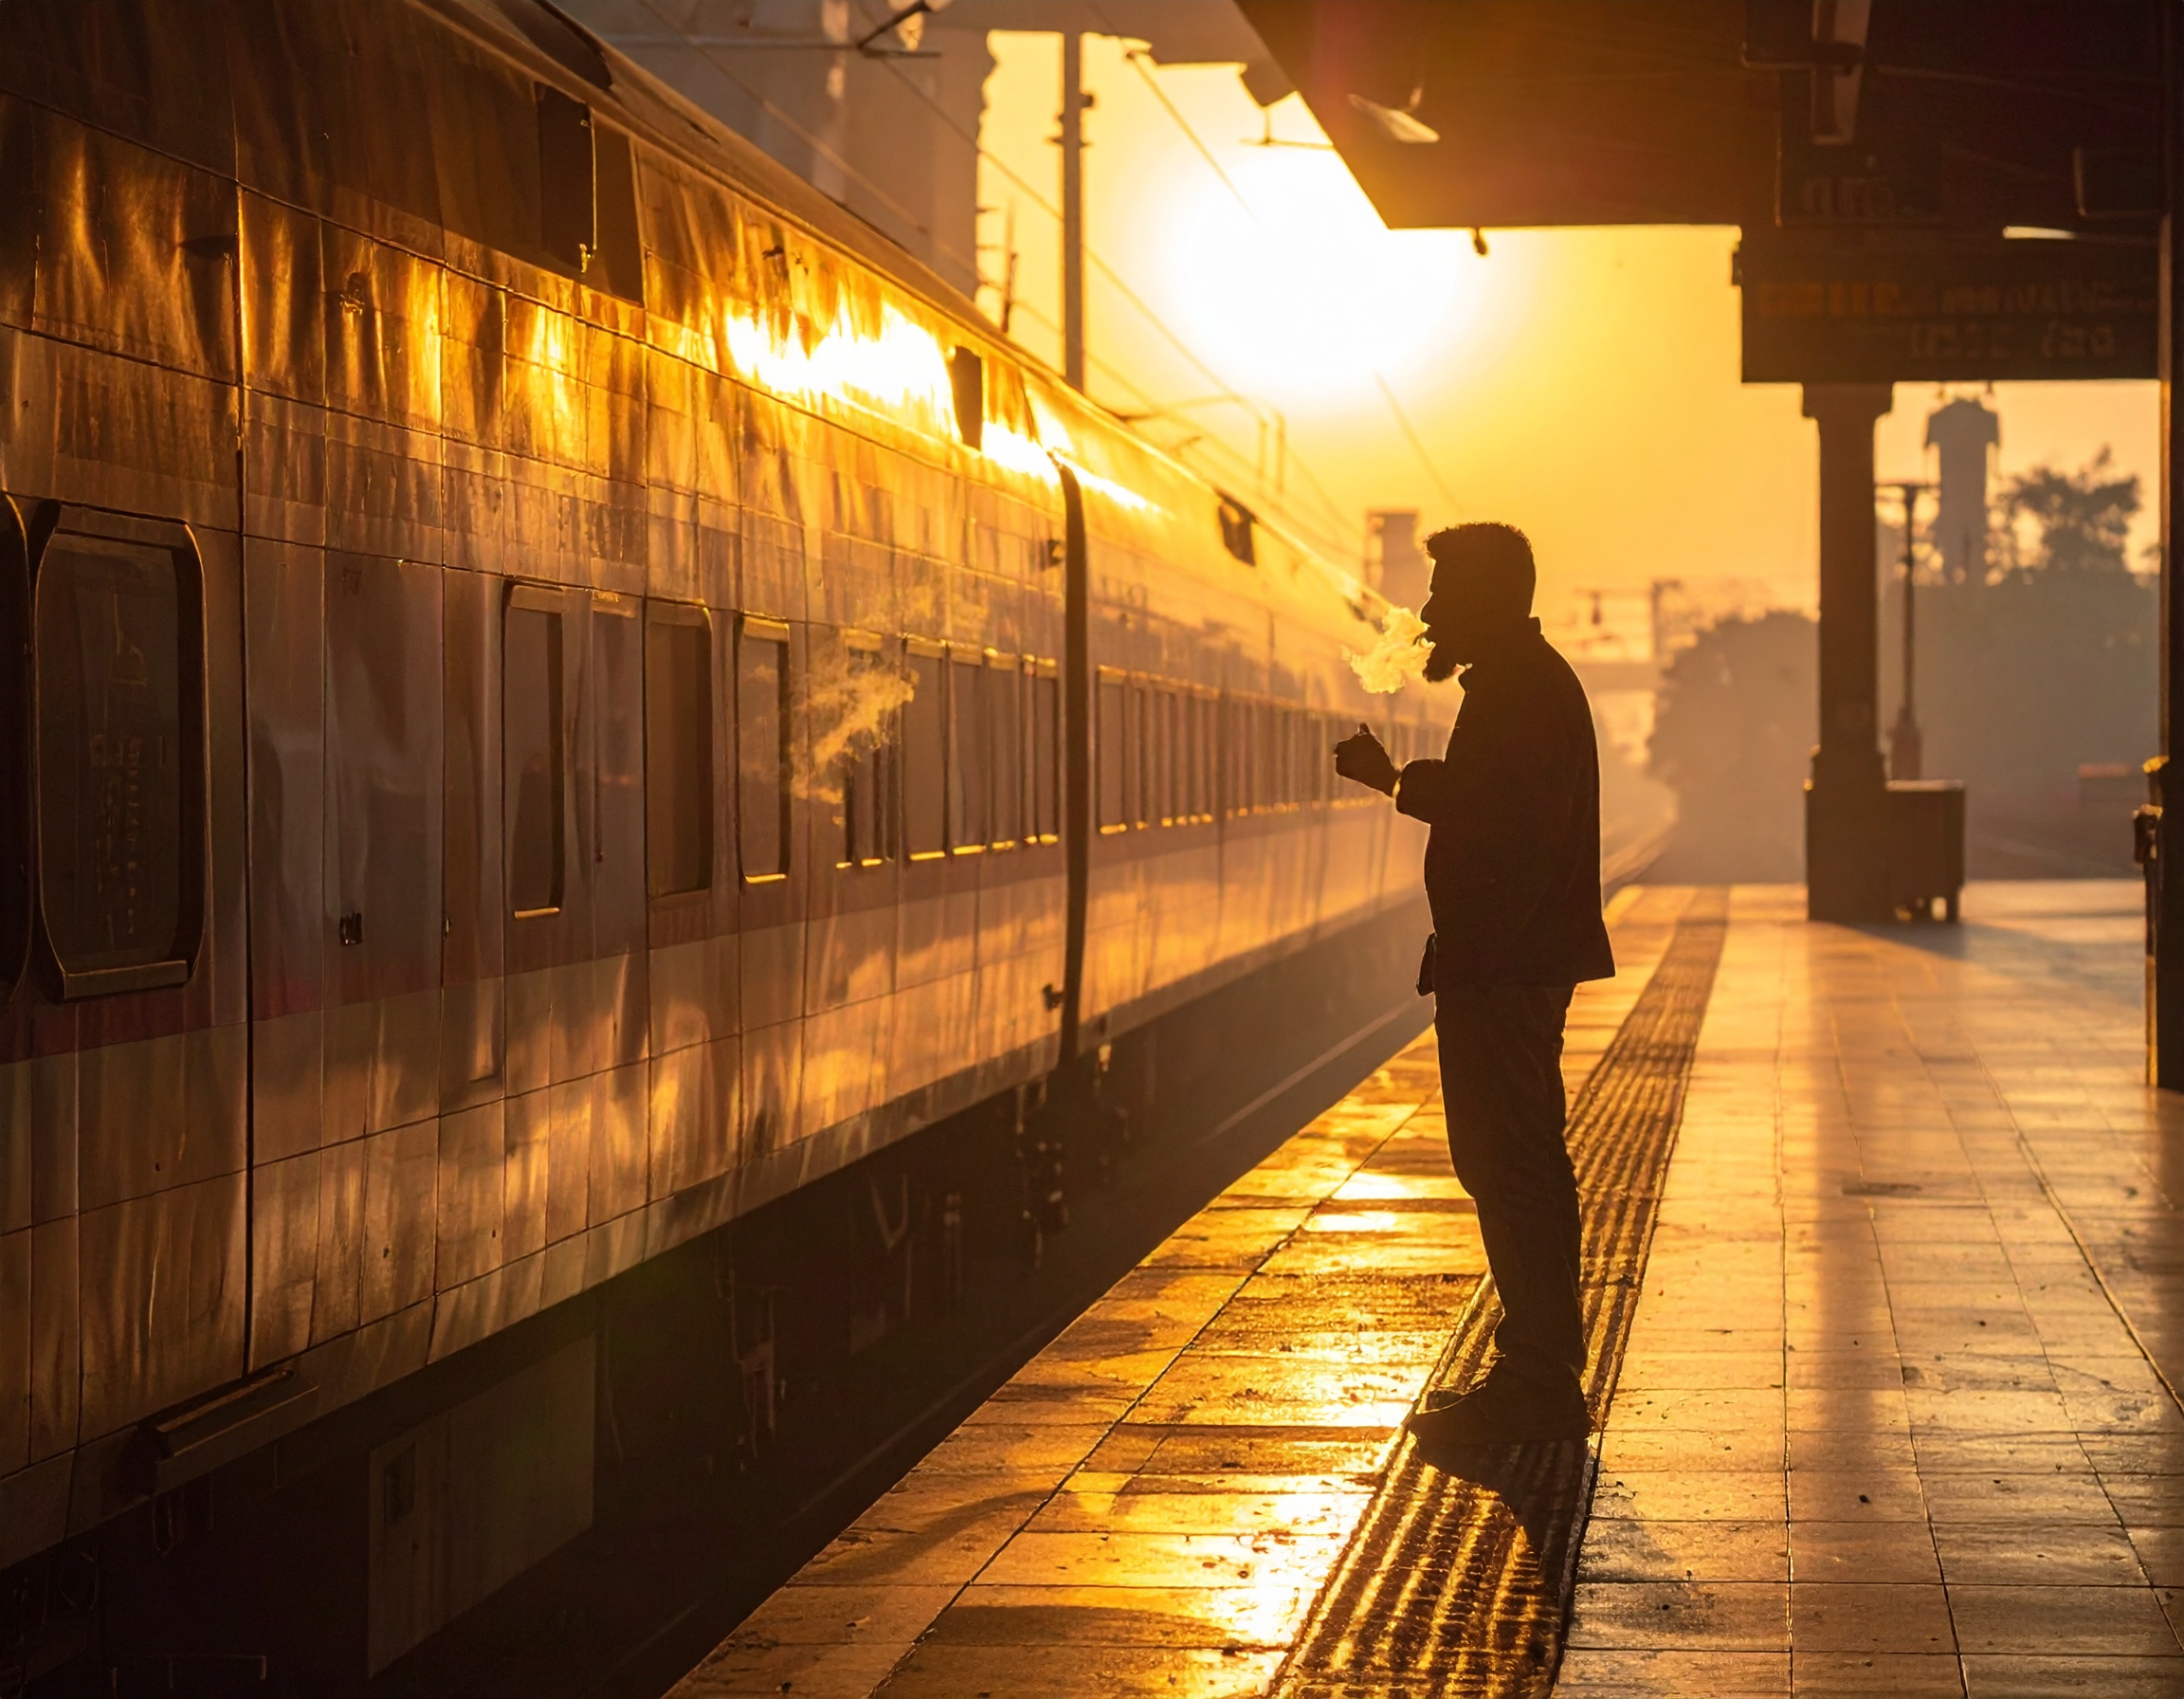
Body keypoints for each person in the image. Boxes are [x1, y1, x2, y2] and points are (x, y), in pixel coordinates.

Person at [1335, 522, 1613, 1444]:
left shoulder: (1525, 692)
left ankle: (1539, 1379)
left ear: (1491, 599)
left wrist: (1394, 782)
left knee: (1515, 1163)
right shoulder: (1516, 686)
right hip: (1503, 960)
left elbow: (1507, 818)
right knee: (1507, 1160)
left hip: (1508, 963)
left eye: (1448, 593)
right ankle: (1534, 1365)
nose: (1430, 612)